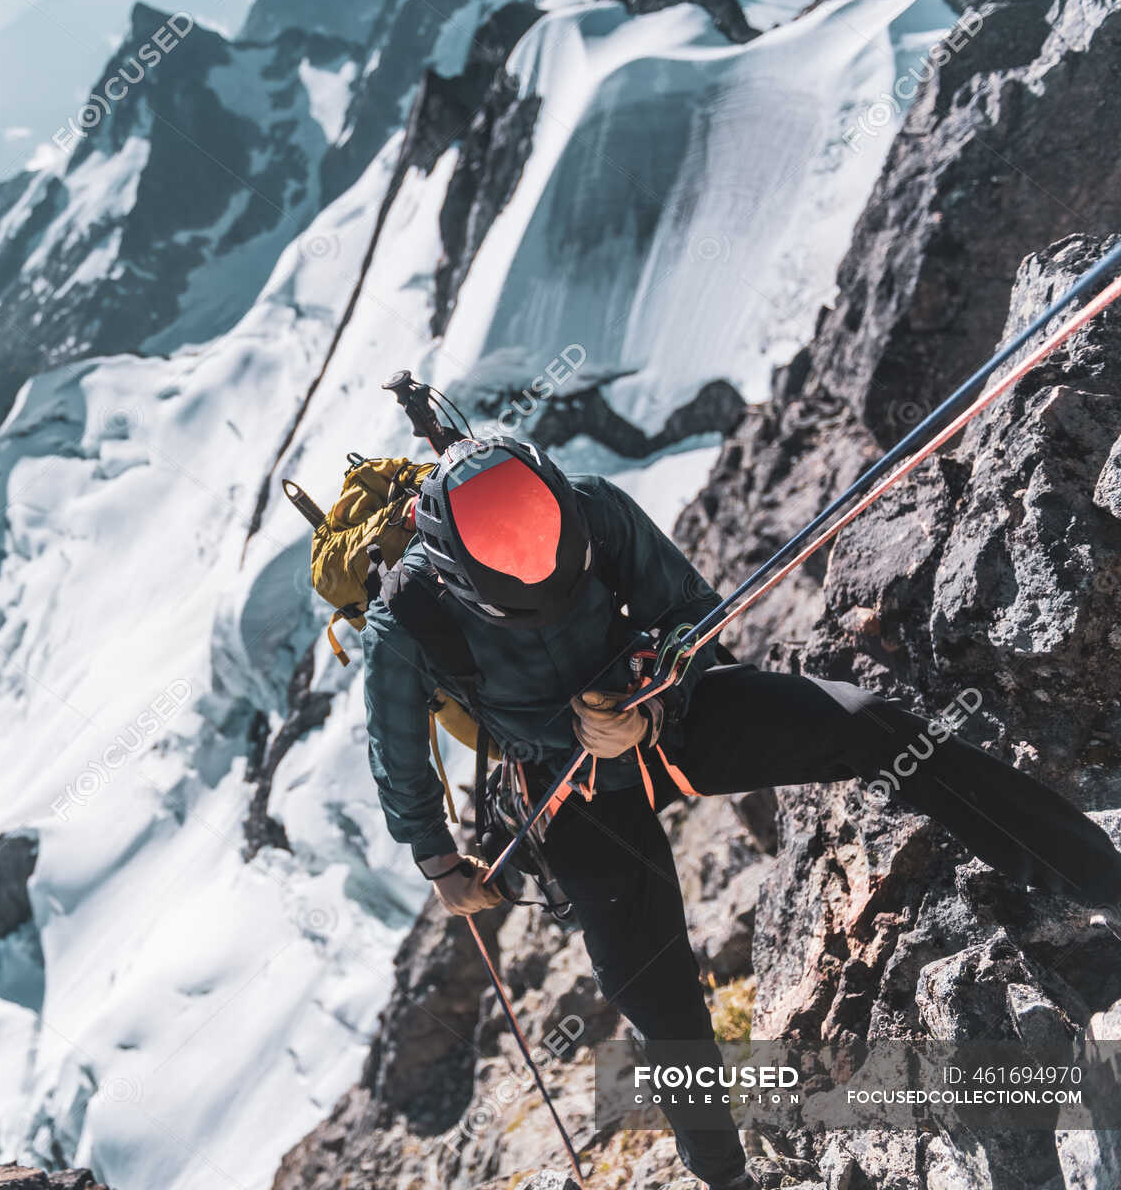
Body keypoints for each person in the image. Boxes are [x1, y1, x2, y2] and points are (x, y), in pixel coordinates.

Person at [360, 436, 1121, 1190]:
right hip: (570, 785)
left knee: (872, 727)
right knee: (657, 994)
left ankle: (1104, 880)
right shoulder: (408, 618)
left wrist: (645, 706)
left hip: (667, 715)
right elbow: (397, 753)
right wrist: (436, 860)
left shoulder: (591, 508)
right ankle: (725, 1180)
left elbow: (691, 613)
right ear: (459, 574)